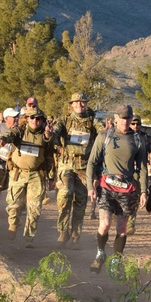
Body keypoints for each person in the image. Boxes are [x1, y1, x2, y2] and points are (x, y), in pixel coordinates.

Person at [86, 105, 149, 276]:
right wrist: (90, 187)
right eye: (122, 118)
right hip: (107, 185)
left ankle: (116, 261)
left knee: (121, 228)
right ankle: (100, 254)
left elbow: (143, 168)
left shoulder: (137, 140)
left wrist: (144, 191)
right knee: (105, 224)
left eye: (128, 118)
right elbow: (92, 162)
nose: (125, 121)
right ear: (115, 118)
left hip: (127, 188)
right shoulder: (105, 136)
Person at [0, 107, 55, 245]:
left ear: (42, 120)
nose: (35, 121)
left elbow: (49, 156)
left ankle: (29, 236)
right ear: (27, 119)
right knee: (13, 205)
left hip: (37, 175)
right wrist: (1, 140)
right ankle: (13, 223)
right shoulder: (20, 131)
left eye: (38, 118)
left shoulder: (45, 134)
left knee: (34, 208)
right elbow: (9, 135)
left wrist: (51, 177)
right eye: (32, 118)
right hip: (18, 173)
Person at [52, 92, 98, 248]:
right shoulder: (64, 120)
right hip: (67, 165)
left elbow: (102, 133)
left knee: (80, 202)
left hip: (85, 167)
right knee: (65, 195)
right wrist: (54, 138)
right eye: (76, 102)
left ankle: (76, 235)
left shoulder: (92, 121)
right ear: (71, 104)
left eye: (83, 102)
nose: (80, 104)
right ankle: (63, 231)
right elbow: (55, 132)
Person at [125, 114, 151, 236]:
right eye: (133, 124)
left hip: (139, 171)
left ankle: (130, 224)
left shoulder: (146, 138)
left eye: (138, 124)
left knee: (135, 197)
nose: (135, 126)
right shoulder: (125, 136)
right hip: (125, 171)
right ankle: (120, 216)